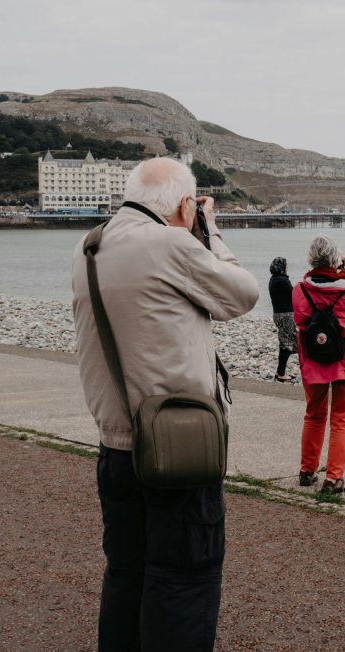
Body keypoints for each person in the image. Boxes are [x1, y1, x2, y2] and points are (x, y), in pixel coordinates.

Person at [71, 157, 259, 651]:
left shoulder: (90, 246)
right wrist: (210, 229)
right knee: (183, 581)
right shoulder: (171, 242)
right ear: (183, 204)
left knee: (127, 576)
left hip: (116, 446)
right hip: (177, 449)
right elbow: (241, 295)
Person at [293, 235, 345, 493]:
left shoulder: (300, 289)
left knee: (314, 415)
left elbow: (300, 317)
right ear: (336, 259)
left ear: (311, 259)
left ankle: (307, 471)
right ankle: (333, 478)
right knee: (342, 419)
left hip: (314, 360)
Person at [268, 256, 297, 382]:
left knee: (285, 342)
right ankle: (314, 369)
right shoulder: (283, 280)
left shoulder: (273, 279)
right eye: (286, 265)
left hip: (278, 314)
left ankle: (280, 372)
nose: (287, 267)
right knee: (292, 343)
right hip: (286, 315)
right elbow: (294, 294)